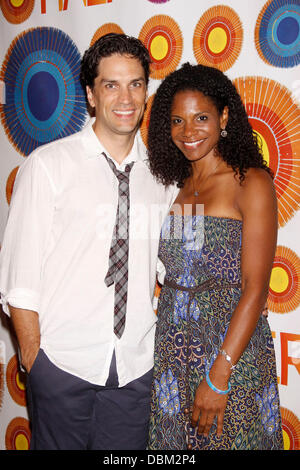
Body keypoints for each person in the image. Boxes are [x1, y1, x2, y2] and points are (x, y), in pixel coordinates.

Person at [0, 34, 176, 450]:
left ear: (146, 92)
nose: (125, 97)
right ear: (91, 95)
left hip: (135, 368)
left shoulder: (164, 178)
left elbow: (173, 267)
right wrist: (34, 359)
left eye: (135, 83)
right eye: (111, 85)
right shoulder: (47, 167)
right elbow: (18, 276)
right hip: (61, 364)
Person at [147, 63, 283, 450]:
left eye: (201, 117)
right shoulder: (174, 187)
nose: (188, 132)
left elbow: (255, 291)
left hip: (228, 353)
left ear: (224, 117)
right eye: (177, 120)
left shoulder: (249, 182)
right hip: (173, 352)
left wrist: (219, 375)